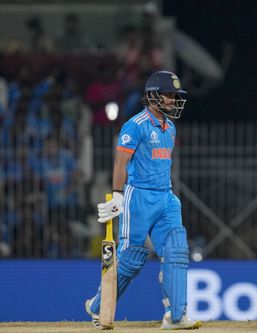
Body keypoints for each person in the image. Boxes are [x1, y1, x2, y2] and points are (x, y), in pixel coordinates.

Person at [85, 71, 201, 330]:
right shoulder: (135, 125)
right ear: (152, 96)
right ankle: (98, 307)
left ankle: (176, 316)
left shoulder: (170, 127)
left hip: (166, 197)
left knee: (176, 250)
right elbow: (121, 162)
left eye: (174, 96)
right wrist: (117, 195)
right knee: (131, 259)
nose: (173, 100)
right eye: (168, 95)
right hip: (138, 197)